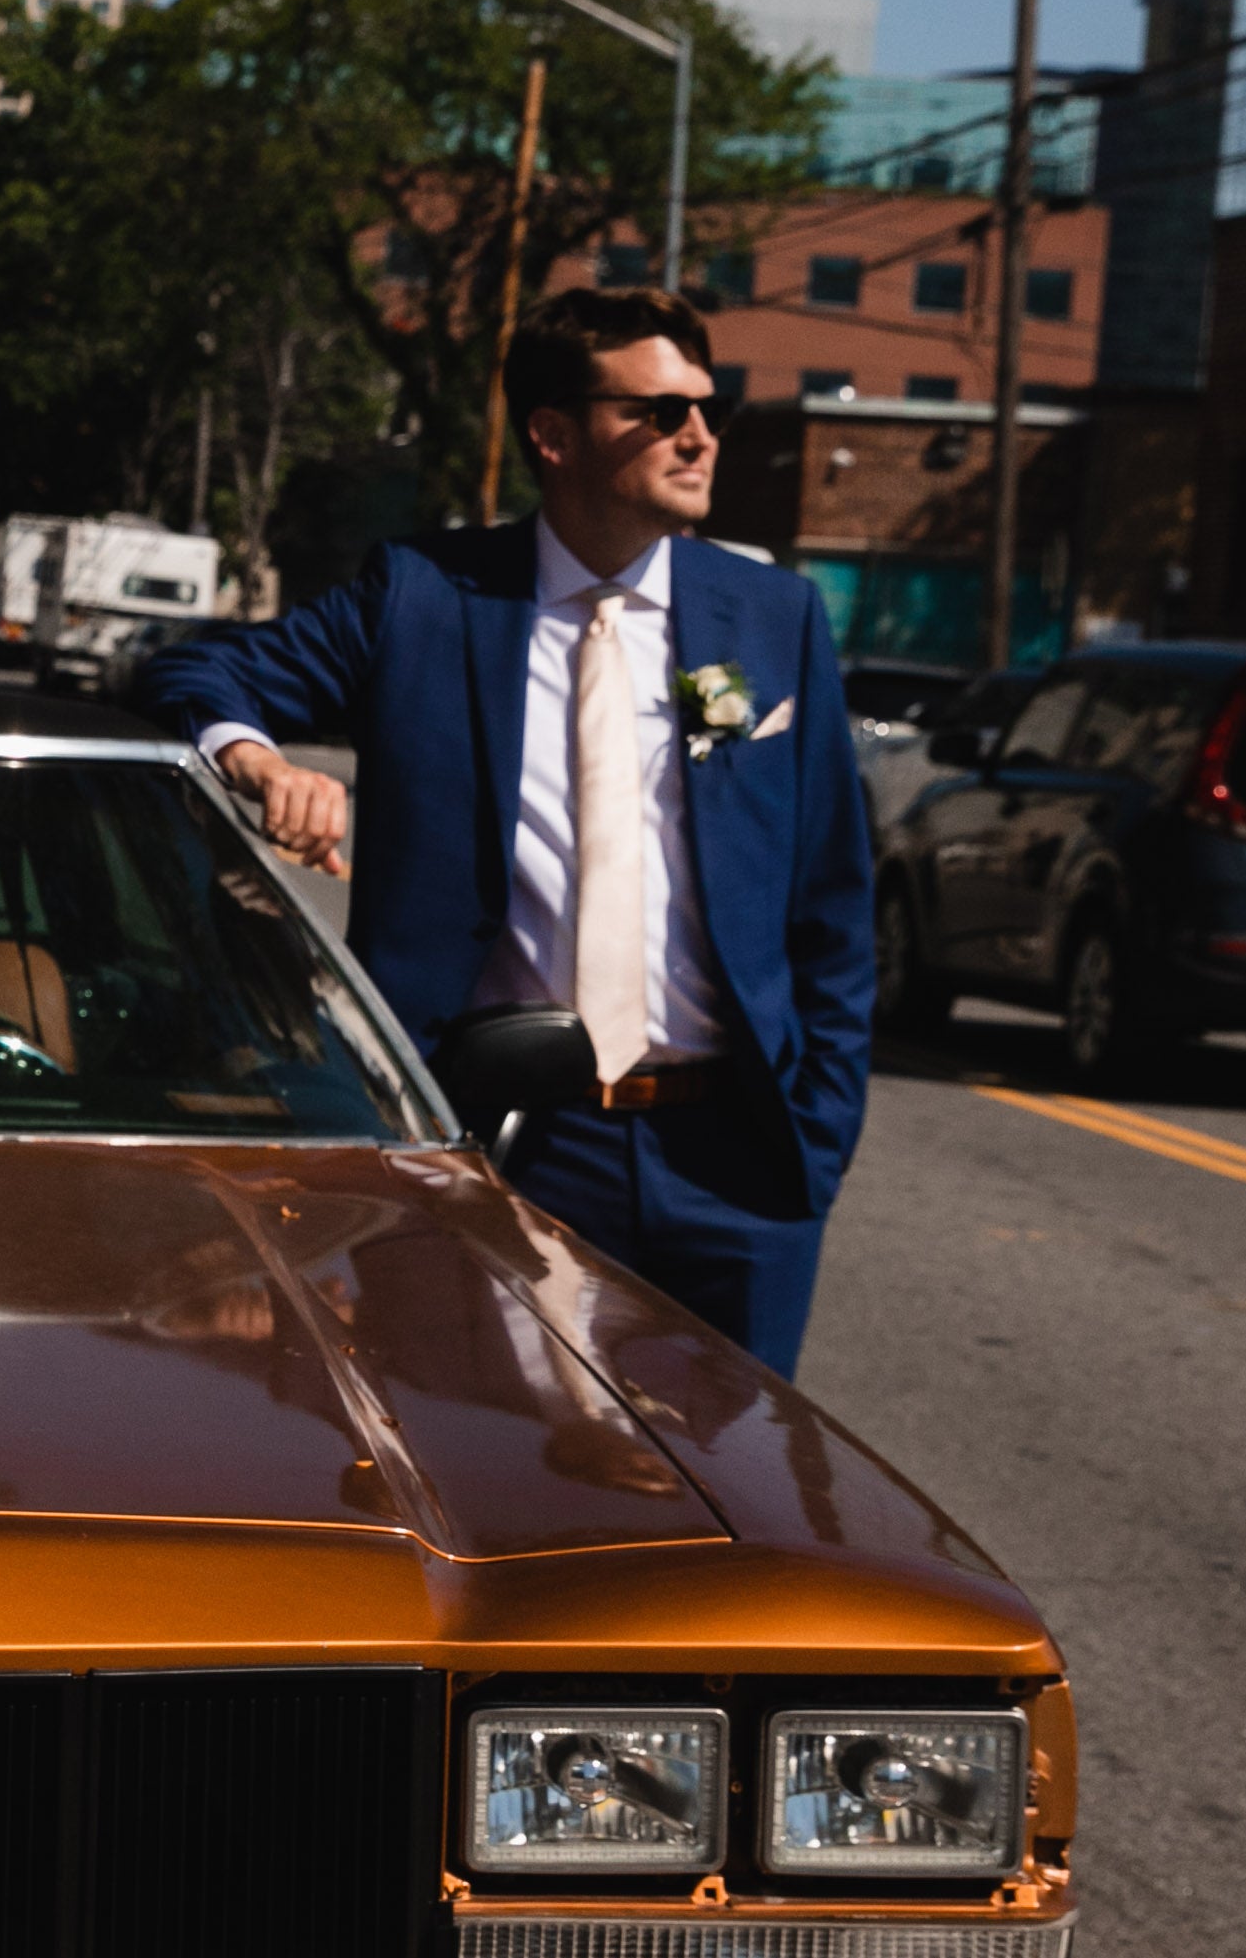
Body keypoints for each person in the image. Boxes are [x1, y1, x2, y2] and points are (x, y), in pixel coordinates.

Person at [141, 285, 872, 1374]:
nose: (696, 435)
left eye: (707, 409)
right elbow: (191, 673)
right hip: (505, 1146)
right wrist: (255, 760)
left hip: (736, 1164)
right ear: (552, 434)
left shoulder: (771, 617)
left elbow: (831, 903)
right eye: (656, 411)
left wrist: (809, 1147)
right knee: (486, 1471)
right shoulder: (425, 597)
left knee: (733, 1511)